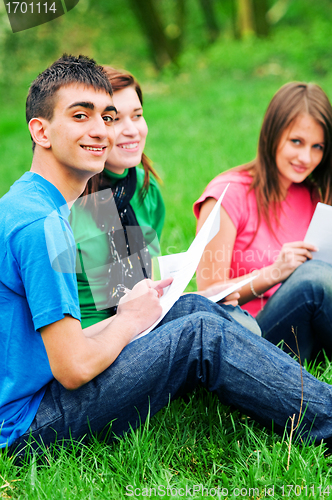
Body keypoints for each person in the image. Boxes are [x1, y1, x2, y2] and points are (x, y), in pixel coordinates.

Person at [2, 58, 332, 459]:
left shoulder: (31, 202)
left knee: (187, 305)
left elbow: (59, 348)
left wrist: (132, 313)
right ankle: (326, 418)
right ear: (41, 130)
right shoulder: (42, 224)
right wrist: (127, 321)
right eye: (79, 115)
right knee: (200, 335)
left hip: (37, 388)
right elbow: (73, 368)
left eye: (104, 117)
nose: (99, 130)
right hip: (27, 424)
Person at [70, 66, 248, 330]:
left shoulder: (145, 187)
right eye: (115, 119)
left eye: (138, 115)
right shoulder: (73, 202)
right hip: (100, 343)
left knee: (238, 320)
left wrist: (202, 298)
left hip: (144, 325)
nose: (132, 130)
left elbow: (147, 288)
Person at [194, 82, 332, 362]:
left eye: (317, 147)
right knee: (312, 278)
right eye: (296, 142)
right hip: (252, 337)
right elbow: (205, 299)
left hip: (309, 334)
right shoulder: (227, 194)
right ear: (272, 134)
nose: (306, 158)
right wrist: (274, 272)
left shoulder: (317, 197)